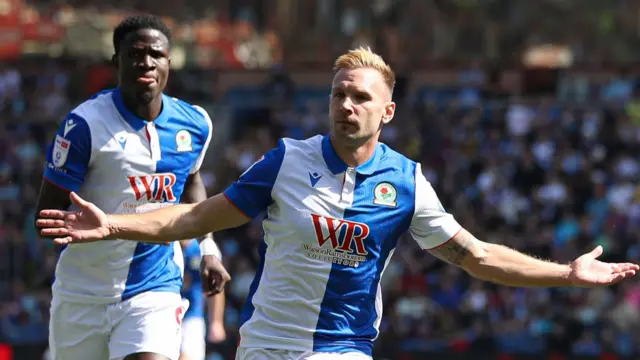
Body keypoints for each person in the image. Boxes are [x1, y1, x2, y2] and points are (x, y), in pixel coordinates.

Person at [37, 47, 639, 360]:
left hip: (342, 348)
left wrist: (566, 273)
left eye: (359, 97)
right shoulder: (284, 162)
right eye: (338, 94)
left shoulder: (406, 183)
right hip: (266, 346)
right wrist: (112, 222)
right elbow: (197, 216)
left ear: (387, 112)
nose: (345, 105)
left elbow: (475, 256)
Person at [35, 14, 229, 360]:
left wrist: (208, 246)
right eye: (135, 54)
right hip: (84, 293)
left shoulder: (196, 124)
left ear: (169, 61)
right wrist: (77, 225)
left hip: (154, 286)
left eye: (156, 54)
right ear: (116, 62)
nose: (147, 63)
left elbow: (192, 184)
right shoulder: (84, 125)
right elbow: (45, 217)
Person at [179, 239, 227, 360]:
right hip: (164, 312)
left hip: (192, 315)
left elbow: (216, 287)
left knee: (186, 356)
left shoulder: (205, 251)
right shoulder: (165, 246)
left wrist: (216, 322)